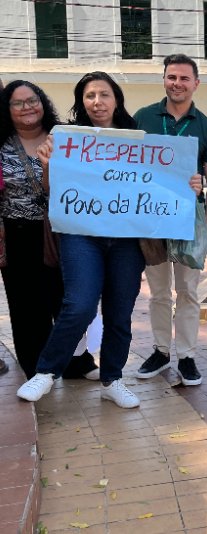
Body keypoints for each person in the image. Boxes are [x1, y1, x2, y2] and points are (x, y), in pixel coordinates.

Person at [16, 72, 203, 407]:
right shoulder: (67, 139)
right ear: (81, 102)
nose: (97, 102)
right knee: (80, 304)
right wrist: (47, 165)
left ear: (116, 99)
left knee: (119, 311)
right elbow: (51, 191)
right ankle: (46, 371)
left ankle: (112, 379)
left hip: (127, 241)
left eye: (104, 94)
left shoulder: (139, 139)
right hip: (81, 235)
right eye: (89, 96)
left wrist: (188, 186)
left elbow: (163, 183)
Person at [133, 54, 207, 386]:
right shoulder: (142, 118)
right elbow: (129, 167)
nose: (177, 83)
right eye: (172, 77)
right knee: (158, 292)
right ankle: (160, 350)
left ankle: (186, 356)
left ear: (196, 84)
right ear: (164, 80)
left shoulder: (206, 127)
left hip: (188, 221)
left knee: (188, 291)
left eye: (185, 78)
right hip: (151, 222)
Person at [0, 81, 63, 379]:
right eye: (17, 103)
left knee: (66, 299)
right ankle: (35, 367)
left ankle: (76, 360)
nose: (27, 107)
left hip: (60, 231)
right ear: (7, 109)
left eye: (32, 100)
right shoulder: (1, 143)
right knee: (25, 304)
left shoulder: (64, 136)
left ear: (43, 102)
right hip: (16, 233)